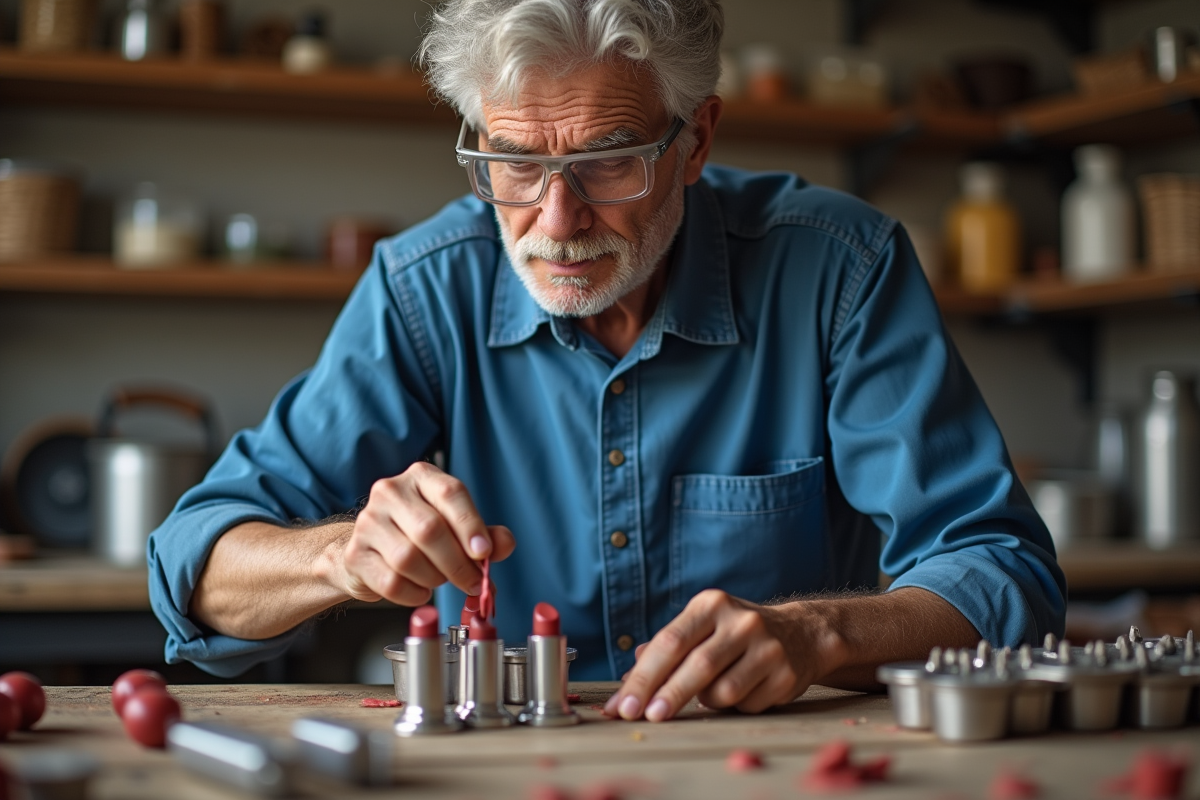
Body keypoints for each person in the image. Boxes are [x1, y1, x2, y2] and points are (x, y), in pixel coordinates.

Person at [148, 0, 1065, 723]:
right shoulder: (423, 289)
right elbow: (194, 567)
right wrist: (343, 557)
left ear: (694, 141)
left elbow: (1001, 573)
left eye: (608, 161)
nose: (555, 221)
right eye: (511, 164)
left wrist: (820, 632)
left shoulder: (838, 269)